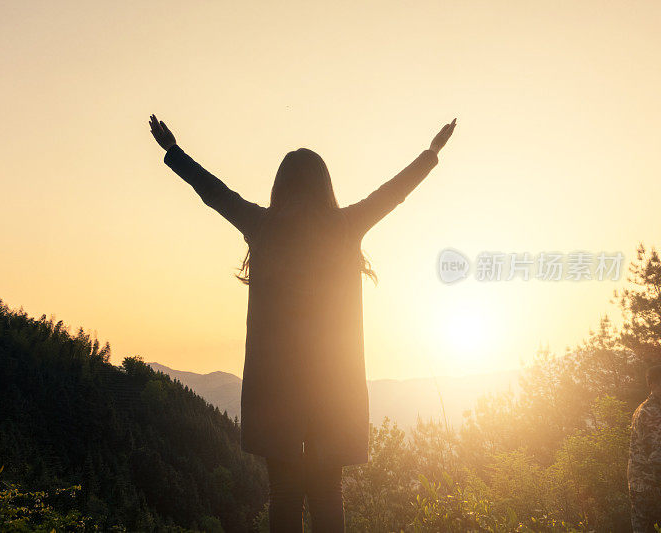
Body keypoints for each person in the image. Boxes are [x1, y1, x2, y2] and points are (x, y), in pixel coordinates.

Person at [149, 114, 455, 532]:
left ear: (281, 187)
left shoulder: (263, 226)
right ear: (324, 185)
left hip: (277, 387)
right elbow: (394, 192)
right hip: (334, 384)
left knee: (284, 493)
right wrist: (431, 153)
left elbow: (214, 193)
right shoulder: (345, 226)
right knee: (329, 492)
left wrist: (174, 151)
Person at [628, 364, 661, 532]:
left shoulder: (643, 408)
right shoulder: (651, 412)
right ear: (652, 384)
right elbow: (655, 455)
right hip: (651, 486)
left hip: (639, 485)